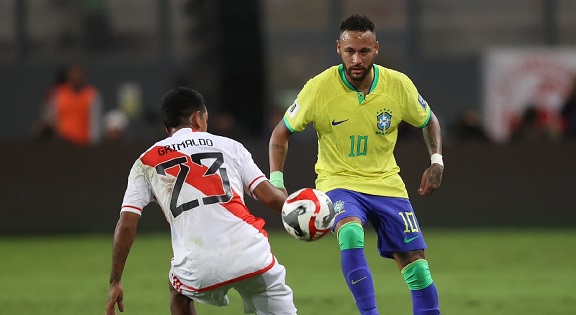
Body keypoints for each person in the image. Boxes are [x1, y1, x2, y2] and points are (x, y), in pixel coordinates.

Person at [268, 15, 443, 315]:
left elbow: (429, 121)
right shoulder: (319, 88)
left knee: (418, 270)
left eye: (364, 51)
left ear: (376, 48)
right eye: (350, 51)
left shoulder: (397, 85)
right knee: (350, 233)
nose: (356, 59)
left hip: (387, 184)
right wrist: (277, 181)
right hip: (338, 182)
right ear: (339, 49)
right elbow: (281, 133)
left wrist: (436, 161)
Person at [106, 87, 297, 315]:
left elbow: (126, 224)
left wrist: (115, 281)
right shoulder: (230, 146)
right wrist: (301, 208)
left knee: (179, 292)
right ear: (197, 117)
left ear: (167, 128)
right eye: (205, 118)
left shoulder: (145, 162)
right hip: (252, 255)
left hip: (198, 266)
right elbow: (274, 199)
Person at [45, 63, 104, 145]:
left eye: (79, 74)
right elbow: (51, 118)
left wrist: (93, 143)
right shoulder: (58, 93)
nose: (77, 77)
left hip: (83, 143)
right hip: (62, 143)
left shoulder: (92, 94)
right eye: (74, 73)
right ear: (68, 75)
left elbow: (95, 122)